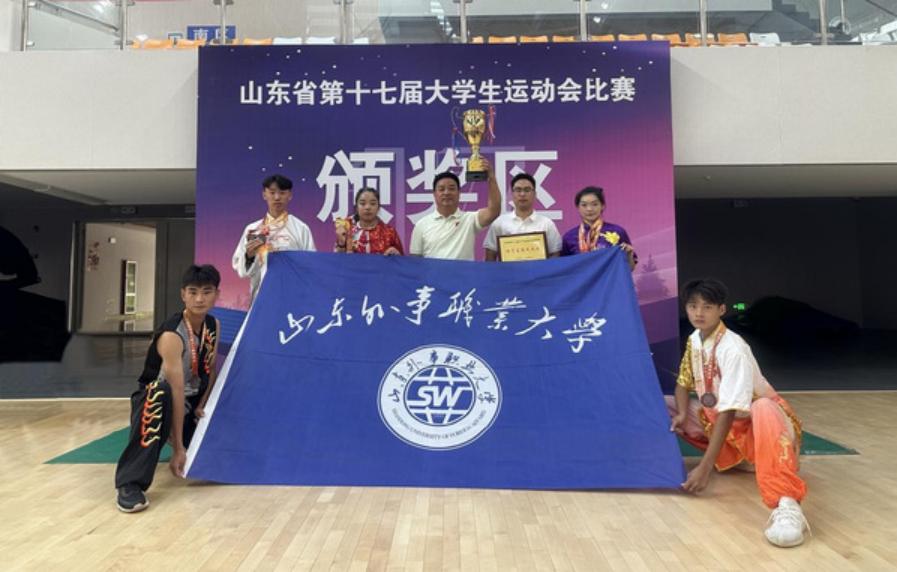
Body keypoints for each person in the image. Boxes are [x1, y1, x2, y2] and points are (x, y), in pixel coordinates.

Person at [668, 278, 809, 547]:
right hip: (728, 431)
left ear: (721, 310)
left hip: (761, 431)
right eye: (693, 306)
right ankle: (658, 466)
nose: (699, 313)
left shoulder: (734, 349)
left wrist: (704, 467)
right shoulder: (695, 339)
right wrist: (682, 413)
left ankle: (787, 504)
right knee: (664, 405)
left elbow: (730, 411)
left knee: (763, 407)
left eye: (707, 307)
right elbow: (682, 384)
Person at [114, 264, 222, 513]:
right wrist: (179, 448)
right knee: (159, 395)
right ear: (183, 294)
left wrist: (203, 406)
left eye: (207, 292)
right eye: (193, 292)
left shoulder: (213, 325)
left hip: (191, 402)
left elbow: (210, 370)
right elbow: (176, 390)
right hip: (160, 401)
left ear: (217, 294)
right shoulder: (172, 334)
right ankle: (130, 484)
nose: (199, 299)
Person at [232, 174, 315, 302]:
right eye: (272, 193)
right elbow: (242, 271)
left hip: (292, 295)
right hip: (261, 296)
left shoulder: (301, 228)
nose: (277, 197)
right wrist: (249, 257)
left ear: (290, 195)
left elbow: (310, 264)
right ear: (264, 195)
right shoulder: (252, 229)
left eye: (282, 193)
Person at [409, 159, 502, 260]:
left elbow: (494, 211)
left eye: (452, 188)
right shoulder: (421, 224)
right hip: (432, 271)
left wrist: (491, 178)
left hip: (462, 271)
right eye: (441, 189)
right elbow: (415, 261)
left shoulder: (469, 219)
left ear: (459, 193)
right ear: (434, 194)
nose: (446, 193)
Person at [483, 172, 562, 261]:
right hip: (508, 270)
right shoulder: (499, 223)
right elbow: (490, 255)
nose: (522, 194)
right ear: (512, 194)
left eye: (527, 190)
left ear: (535, 194)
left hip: (538, 270)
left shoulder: (547, 224)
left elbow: (555, 254)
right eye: (518, 190)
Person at [560, 186, 637, 271]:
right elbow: (564, 269)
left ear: (602, 206)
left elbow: (630, 268)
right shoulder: (569, 237)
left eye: (595, 204)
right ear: (578, 207)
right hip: (582, 280)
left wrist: (629, 254)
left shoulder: (617, 232)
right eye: (584, 205)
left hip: (610, 279)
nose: (589, 209)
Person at [334, 187, 403, 255]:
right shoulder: (348, 230)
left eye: (372, 204)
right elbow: (338, 259)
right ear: (356, 208)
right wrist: (341, 242)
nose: (367, 207)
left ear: (378, 208)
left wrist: (396, 254)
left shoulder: (389, 232)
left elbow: (402, 259)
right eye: (362, 203)